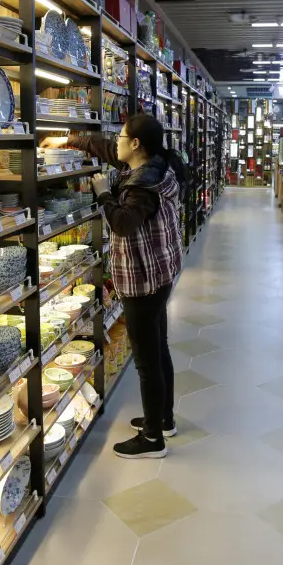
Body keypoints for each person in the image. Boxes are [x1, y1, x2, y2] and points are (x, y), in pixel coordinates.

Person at [41, 114, 186, 459]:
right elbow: (104, 147)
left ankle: (153, 439)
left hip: (143, 280)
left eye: (122, 136)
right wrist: (66, 141)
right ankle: (163, 419)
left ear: (136, 144)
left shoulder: (141, 186)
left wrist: (105, 194)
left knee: (147, 361)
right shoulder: (153, 166)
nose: (116, 141)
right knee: (158, 348)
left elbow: (122, 224)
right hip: (159, 274)